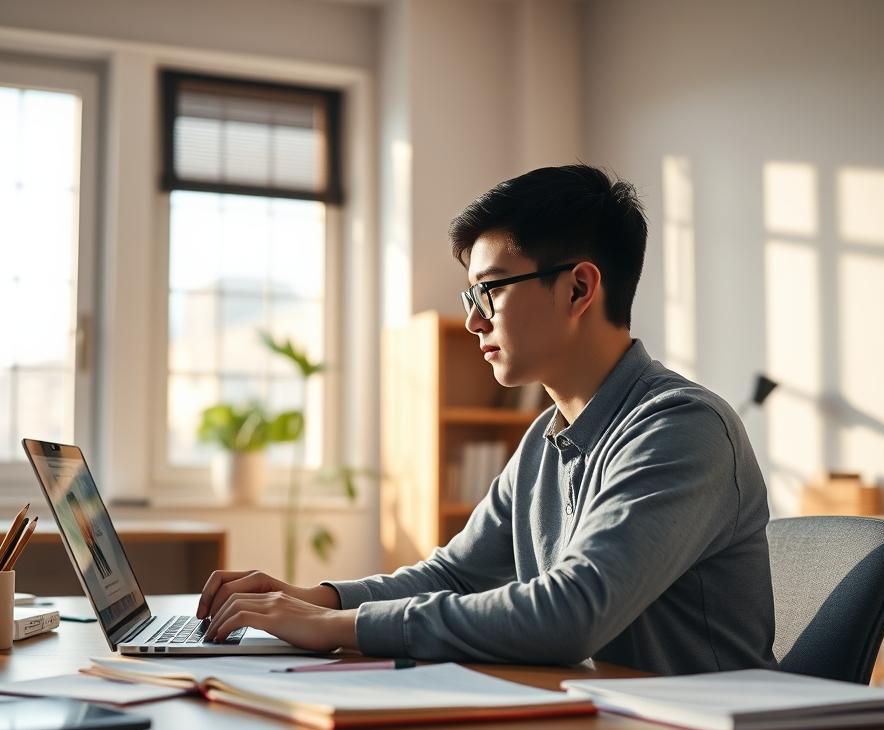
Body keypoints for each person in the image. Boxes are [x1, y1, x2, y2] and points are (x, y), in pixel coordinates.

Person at [197, 165, 776, 674]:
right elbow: (456, 575)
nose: (475, 321)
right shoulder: (545, 440)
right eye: (470, 297)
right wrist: (313, 599)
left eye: (490, 291)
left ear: (579, 288)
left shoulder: (682, 428)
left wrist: (336, 629)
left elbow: (570, 615)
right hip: (604, 727)